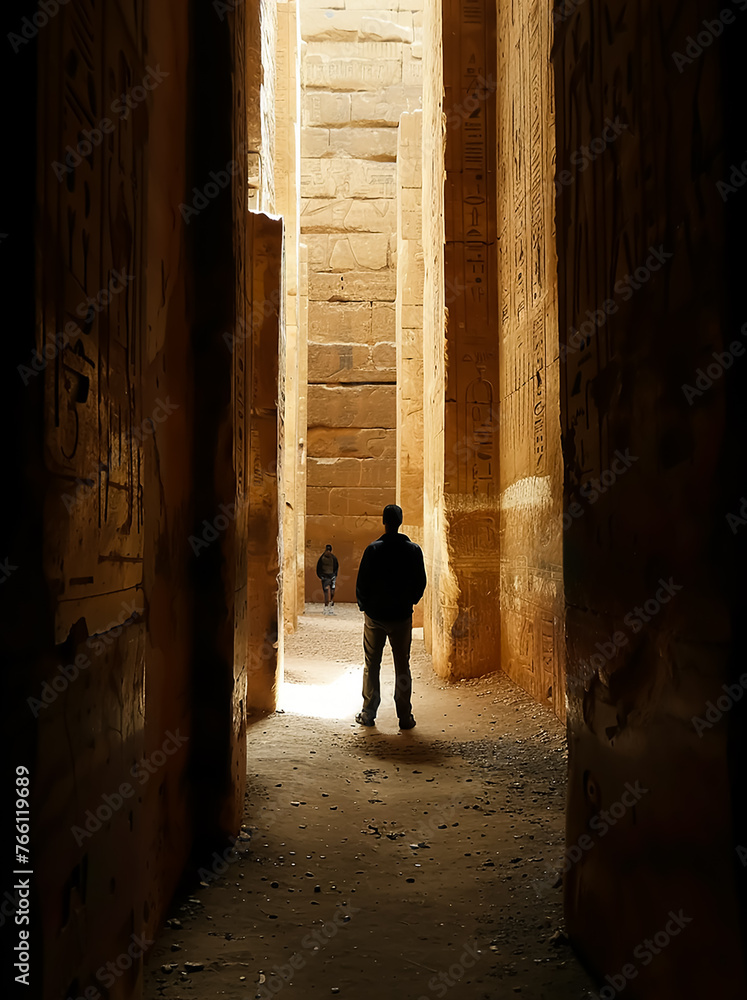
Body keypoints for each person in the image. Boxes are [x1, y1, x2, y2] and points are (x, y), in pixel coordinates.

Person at [354, 504, 427, 729]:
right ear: (400, 521)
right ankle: (404, 716)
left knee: (372, 664)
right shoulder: (413, 550)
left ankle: (368, 713)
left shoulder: (373, 549)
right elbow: (420, 582)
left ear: (384, 522)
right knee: (402, 666)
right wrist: (410, 602)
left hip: (376, 616)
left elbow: (362, 582)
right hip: (401, 616)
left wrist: (365, 607)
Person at [316, 544, 339, 614]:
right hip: (325, 577)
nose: (328, 552)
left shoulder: (333, 558)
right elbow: (318, 567)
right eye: (327, 550)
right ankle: (326, 605)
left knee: (332, 590)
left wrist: (335, 575)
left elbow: (336, 567)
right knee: (326, 591)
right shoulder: (322, 558)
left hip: (332, 576)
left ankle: (331, 603)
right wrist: (321, 576)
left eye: (329, 551)